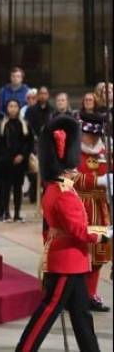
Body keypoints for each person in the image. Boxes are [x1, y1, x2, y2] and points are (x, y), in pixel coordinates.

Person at [15, 116, 110, 352]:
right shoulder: (63, 193)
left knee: (82, 316)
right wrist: (104, 233)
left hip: (73, 262)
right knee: (48, 311)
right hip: (66, 262)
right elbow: (79, 231)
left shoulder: (57, 188)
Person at [74, 112, 112, 312]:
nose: (93, 139)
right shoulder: (73, 151)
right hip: (78, 206)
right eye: (89, 135)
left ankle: (91, 294)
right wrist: (97, 181)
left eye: (96, 136)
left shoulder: (105, 151)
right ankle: (74, 296)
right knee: (79, 253)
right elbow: (71, 177)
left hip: (100, 207)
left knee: (99, 252)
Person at [0, 99, 33, 222]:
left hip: (20, 162)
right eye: (10, 106)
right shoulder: (1, 124)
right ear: (7, 108)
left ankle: (17, 213)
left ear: (18, 108)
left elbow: (29, 142)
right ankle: (6, 213)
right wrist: (5, 158)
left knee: (17, 188)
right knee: (5, 188)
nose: (13, 108)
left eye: (15, 106)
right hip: (5, 162)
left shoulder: (25, 124)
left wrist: (22, 155)